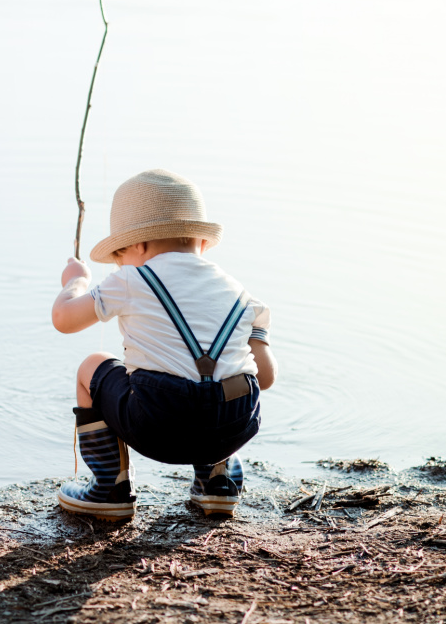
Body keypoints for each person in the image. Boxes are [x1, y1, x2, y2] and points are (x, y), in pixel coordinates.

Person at [49, 169, 277, 520]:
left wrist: (76, 282)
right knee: (223, 379)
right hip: (234, 428)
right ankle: (217, 484)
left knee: (91, 365)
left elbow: (64, 319)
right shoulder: (242, 296)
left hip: (159, 426)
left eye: (119, 256)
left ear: (138, 246)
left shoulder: (131, 278)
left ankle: (111, 489)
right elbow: (264, 377)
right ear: (201, 243)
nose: (120, 265)